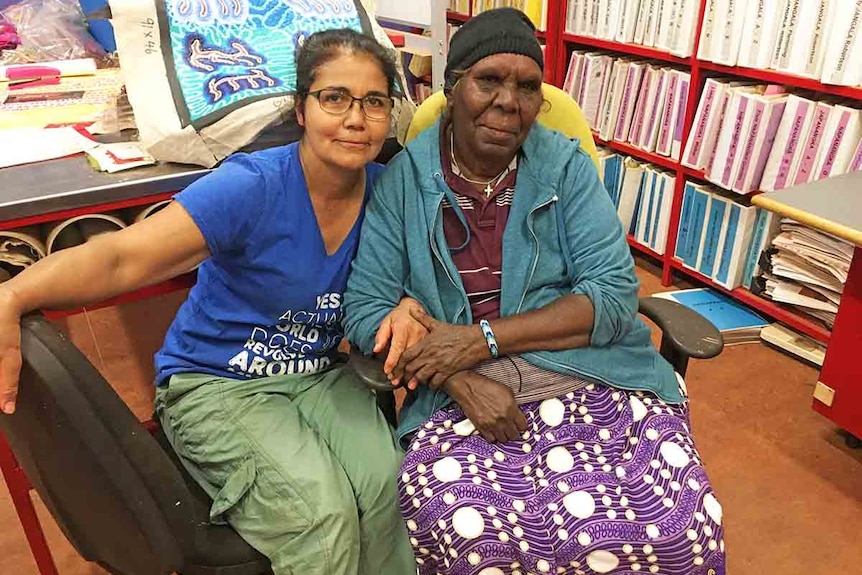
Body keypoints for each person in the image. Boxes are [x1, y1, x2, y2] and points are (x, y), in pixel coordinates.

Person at [0, 29, 417, 575]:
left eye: (374, 102)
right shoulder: (252, 187)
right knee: (319, 515)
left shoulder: (389, 193)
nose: (355, 119)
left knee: (391, 489)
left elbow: (418, 277)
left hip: (320, 377)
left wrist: (409, 302)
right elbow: (122, 258)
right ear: (300, 108)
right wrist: (13, 294)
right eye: (334, 97)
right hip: (219, 384)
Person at [343, 8, 726, 575]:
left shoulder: (565, 167)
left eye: (527, 87)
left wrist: (481, 340)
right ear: (452, 89)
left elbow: (615, 295)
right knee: (472, 535)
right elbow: (366, 308)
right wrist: (457, 377)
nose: (509, 101)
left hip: (597, 374)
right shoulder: (402, 182)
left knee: (683, 525)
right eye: (489, 80)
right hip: (460, 396)